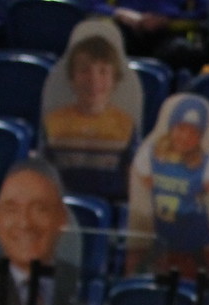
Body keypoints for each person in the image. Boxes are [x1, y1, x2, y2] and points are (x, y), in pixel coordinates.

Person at [127, 95, 209, 280]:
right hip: (162, 238)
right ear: (171, 127)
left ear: (200, 137)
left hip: (196, 244)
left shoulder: (207, 163)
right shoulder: (150, 156)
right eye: (181, 129)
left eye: (193, 133)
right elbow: (141, 176)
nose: (185, 137)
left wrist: (200, 186)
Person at [0, 160, 78, 305]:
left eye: (40, 209)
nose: (25, 223)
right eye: (11, 209)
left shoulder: (81, 283)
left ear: (62, 218)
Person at [42, 26, 139, 202]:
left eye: (103, 71)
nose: (94, 80)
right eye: (84, 70)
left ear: (115, 79)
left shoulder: (125, 126)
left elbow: (132, 182)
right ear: (72, 77)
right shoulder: (53, 123)